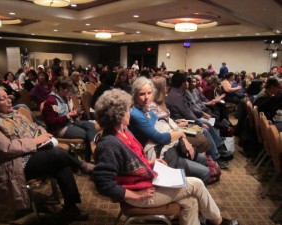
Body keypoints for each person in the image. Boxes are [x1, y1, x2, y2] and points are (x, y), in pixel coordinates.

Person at [92, 88, 238, 225]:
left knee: (191, 201)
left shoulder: (124, 132)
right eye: (127, 110)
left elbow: (129, 164)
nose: (130, 113)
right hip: (138, 194)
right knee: (197, 184)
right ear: (118, 115)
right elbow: (104, 184)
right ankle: (218, 222)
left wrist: (151, 162)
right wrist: (136, 196)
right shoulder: (109, 144)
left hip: (144, 182)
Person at [0, 86, 89, 221]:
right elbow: (7, 148)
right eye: (3, 98)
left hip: (30, 153)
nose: (9, 100)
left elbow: (37, 127)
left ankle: (71, 208)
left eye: (8, 96)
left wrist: (43, 136)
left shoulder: (15, 114)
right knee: (57, 156)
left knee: (60, 160)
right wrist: (36, 141)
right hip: (10, 164)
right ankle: (82, 166)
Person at [128, 77, 210, 184]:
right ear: (135, 95)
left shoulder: (148, 110)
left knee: (202, 159)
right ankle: (188, 190)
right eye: (142, 94)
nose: (146, 97)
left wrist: (183, 138)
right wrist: (180, 133)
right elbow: (159, 137)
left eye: (149, 93)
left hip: (166, 147)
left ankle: (190, 186)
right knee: (205, 172)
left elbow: (165, 124)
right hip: (157, 153)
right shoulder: (135, 113)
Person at [42, 76, 96, 164]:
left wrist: (76, 113)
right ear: (60, 88)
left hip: (69, 122)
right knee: (87, 133)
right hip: (59, 128)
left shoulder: (65, 97)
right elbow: (51, 123)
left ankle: (90, 157)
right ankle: (90, 158)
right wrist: (67, 116)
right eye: (67, 89)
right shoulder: (50, 101)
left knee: (91, 125)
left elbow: (68, 115)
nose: (69, 91)